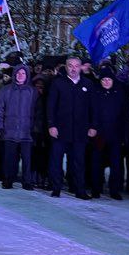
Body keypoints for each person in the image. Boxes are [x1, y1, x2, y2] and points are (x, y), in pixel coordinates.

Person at [46, 56, 96, 199]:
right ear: (66, 67)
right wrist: (51, 125)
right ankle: (56, 188)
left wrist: (93, 126)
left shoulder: (88, 84)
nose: (73, 69)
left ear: (80, 67)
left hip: (80, 131)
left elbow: (93, 107)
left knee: (79, 162)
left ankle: (79, 190)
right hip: (60, 130)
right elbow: (51, 106)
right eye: (70, 65)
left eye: (76, 66)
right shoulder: (58, 83)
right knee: (56, 160)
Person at [0, 64, 34, 189]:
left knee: (27, 159)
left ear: (27, 75)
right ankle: (8, 179)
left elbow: (36, 111)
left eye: (23, 73)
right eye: (18, 73)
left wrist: (35, 128)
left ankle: (27, 181)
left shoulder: (32, 91)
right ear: (14, 74)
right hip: (9, 130)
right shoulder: (5, 90)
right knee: (9, 158)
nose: (20, 75)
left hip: (27, 131)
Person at [90, 66, 128, 200]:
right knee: (97, 162)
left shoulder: (119, 94)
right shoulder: (95, 93)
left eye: (108, 80)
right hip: (99, 134)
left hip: (115, 134)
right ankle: (96, 189)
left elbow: (124, 115)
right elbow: (91, 112)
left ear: (113, 80)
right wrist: (92, 127)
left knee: (115, 163)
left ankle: (114, 190)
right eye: (103, 80)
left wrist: (124, 134)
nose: (106, 82)